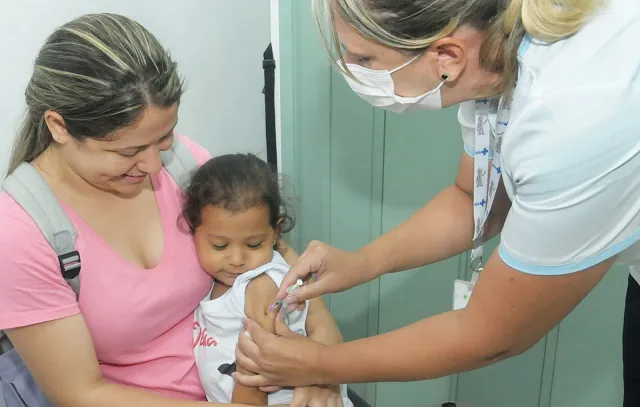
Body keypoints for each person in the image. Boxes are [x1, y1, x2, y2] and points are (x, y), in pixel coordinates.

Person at [233, 0, 640, 405]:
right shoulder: (492, 54)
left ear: (447, 56)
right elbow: (475, 199)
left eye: (363, 58)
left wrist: (322, 364)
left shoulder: (575, 121)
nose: (352, 70)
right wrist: (362, 263)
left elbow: (491, 335)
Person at [0, 13, 344, 407]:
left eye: (163, 137)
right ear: (59, 127)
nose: (151, 166)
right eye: (127, 151)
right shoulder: (20, 234)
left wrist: (324, 366)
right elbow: (81, 392)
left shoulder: (182, 165)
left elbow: (275, 255)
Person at [183, 153, 352, 407]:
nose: (237, 259)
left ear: (276, 231)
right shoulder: (217, 285)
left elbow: (256, 367)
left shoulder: (259, 284)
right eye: (220, 245)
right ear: (193, 230)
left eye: (254, 244)